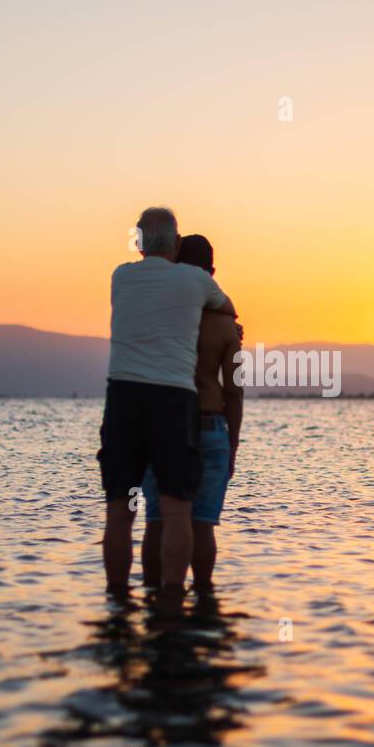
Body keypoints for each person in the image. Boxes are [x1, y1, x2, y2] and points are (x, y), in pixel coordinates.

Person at [98, 208, 235, 591]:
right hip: (173, 401)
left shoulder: (120, 277)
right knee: (177, 512)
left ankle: (118, 603)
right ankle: (172, 604)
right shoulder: (194, 280)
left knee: (119, 513)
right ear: (175, 244)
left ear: (138, 243)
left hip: (123, 397)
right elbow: (226, 307)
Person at [140, 235, 243, 591]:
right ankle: (202, 604)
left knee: (157, 520)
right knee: (202, 524)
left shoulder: (162, 316)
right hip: (211, 424)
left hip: (164, 427)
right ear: (211, 271)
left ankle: (156, 599)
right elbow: (234, 389)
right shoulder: (226, 322)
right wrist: (234, 443)